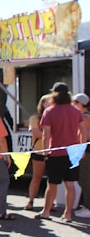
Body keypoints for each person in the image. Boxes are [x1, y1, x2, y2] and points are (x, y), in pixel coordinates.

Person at [37, 82, 86, 222]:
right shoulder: (76, 111)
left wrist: (46, 152)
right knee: (70, 185)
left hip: (56, 152)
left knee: (52, 185)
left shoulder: (50, 111)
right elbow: (83, 131)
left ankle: (46, 212)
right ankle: (68, 214)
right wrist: (81, 148)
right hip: (73, 152)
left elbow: (46, 134)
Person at [25, 93, 52, 211]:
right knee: (37, 176)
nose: (50, 103)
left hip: (52, 151)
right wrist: (51, 136)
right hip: (39, 151)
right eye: (47, 101)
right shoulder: (35, 118)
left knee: (52, 179)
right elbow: (36, 133)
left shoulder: (54, 116)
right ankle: (30, 201)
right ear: (42, 104)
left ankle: (50, 203)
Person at [73, 93, 90, 218]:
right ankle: (85, 205)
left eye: (75, 102)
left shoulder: (85, 117)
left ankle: (88, 207)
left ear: (80, 104)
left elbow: (82, 135)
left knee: (84, 179)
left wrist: (81, 150)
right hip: (84, 150)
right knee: (82, 179)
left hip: (86, 151)